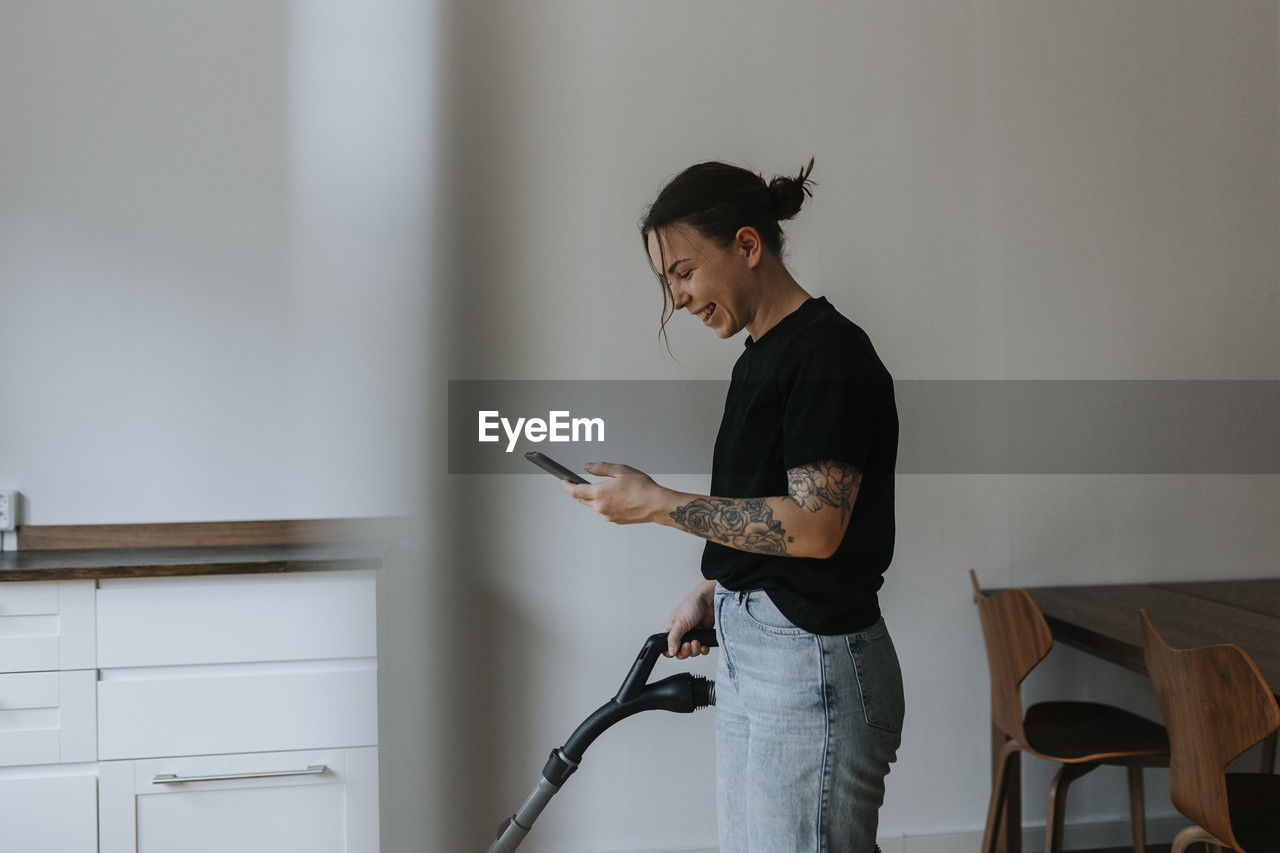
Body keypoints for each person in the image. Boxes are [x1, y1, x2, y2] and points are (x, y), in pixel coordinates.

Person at [561, 159, 903, 852]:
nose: (679, 297)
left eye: (684, 272)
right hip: (762, 651)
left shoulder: (829, 353)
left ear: (747, 245)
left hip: (812, 663)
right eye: (668, 282)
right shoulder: (758, 360)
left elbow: (815, 526)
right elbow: (770, 514)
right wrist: (715, 588)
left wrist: (657, 503)